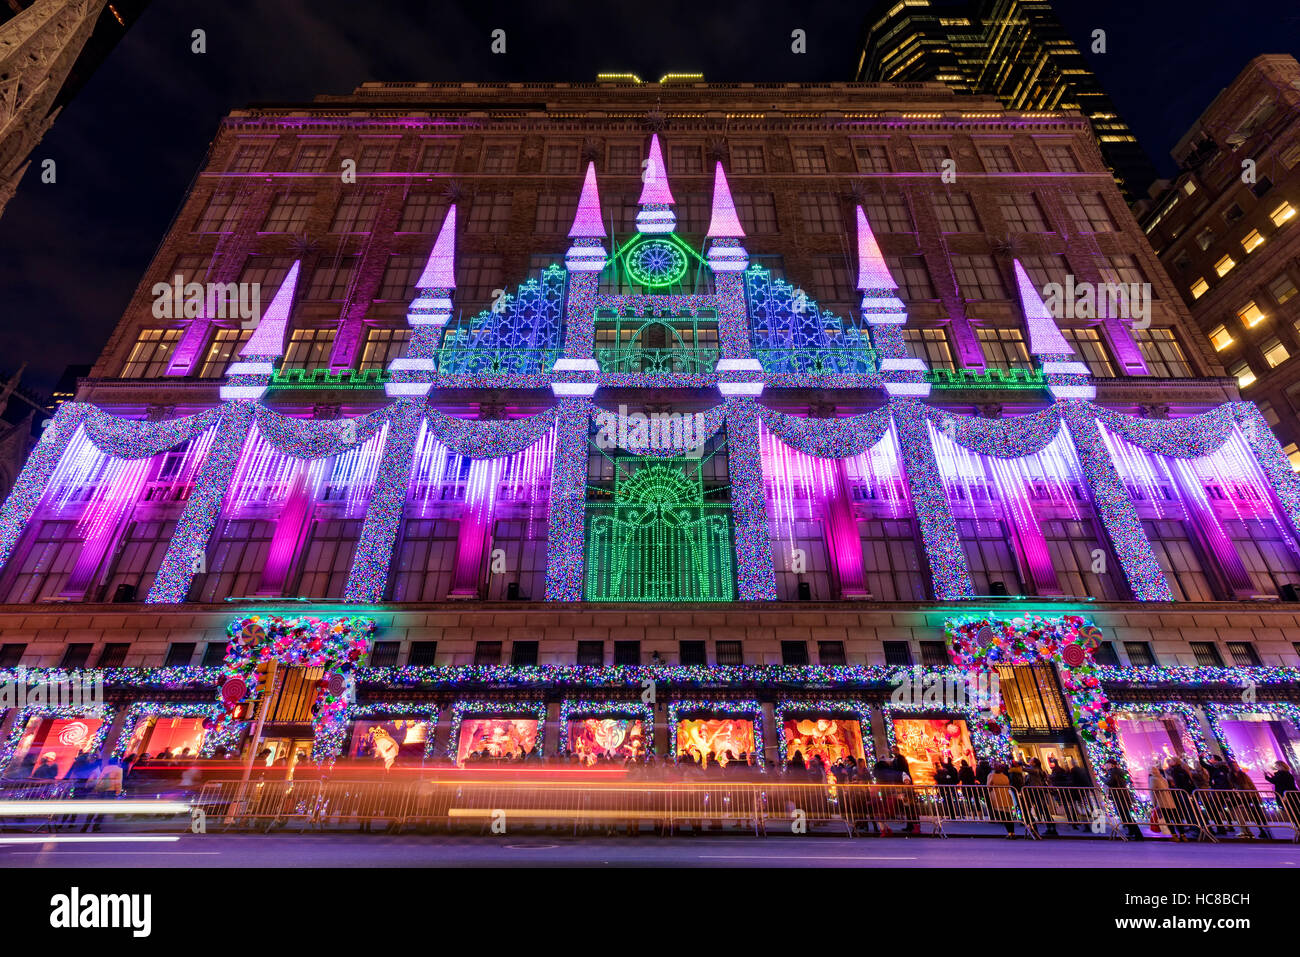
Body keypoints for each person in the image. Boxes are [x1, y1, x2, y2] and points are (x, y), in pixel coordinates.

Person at [1228, 759, 1272, 840]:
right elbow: (1232, 786)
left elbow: (1251, 785)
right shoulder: (1230, 776)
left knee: (1258, 812)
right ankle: (1261, 829)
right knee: (1253, 813)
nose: (1236, 767)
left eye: (1236, 765)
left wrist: (1257, 795)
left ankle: (1266, 828)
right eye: (1234, 766)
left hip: (1252, 795)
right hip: (1243, 797)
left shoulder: (1244, 775)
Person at [1104, 758, 1142, 840]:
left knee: (1126, 815)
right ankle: (1132, 831)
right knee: (1124, 815)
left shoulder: (1113, 772)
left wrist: (1103, 779)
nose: (1105, 766)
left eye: (1107, 764)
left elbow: (1110, 782)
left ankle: (1137, 834)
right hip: (1122, 796)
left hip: (1120, 796)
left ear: (1112, 765)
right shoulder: (1117, 771)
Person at [986, 763, 1017, 838]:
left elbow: (988, 786)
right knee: (1009, 815)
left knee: (1004, 816)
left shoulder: (991, 776)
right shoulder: (1005, 776)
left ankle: (1009, 832)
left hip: (997, 797)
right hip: (1006, 796)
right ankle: (1012, 832)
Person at [1149, 764, 1178, 840]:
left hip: (1162, 801)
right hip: (1170, 801)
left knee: (1167, 818)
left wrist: (1154, 803)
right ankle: (1182, 834)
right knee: (1175, 818)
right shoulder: (1163, 778)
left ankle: (1174, 835)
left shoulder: (1153, 779)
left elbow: (1153, 792)